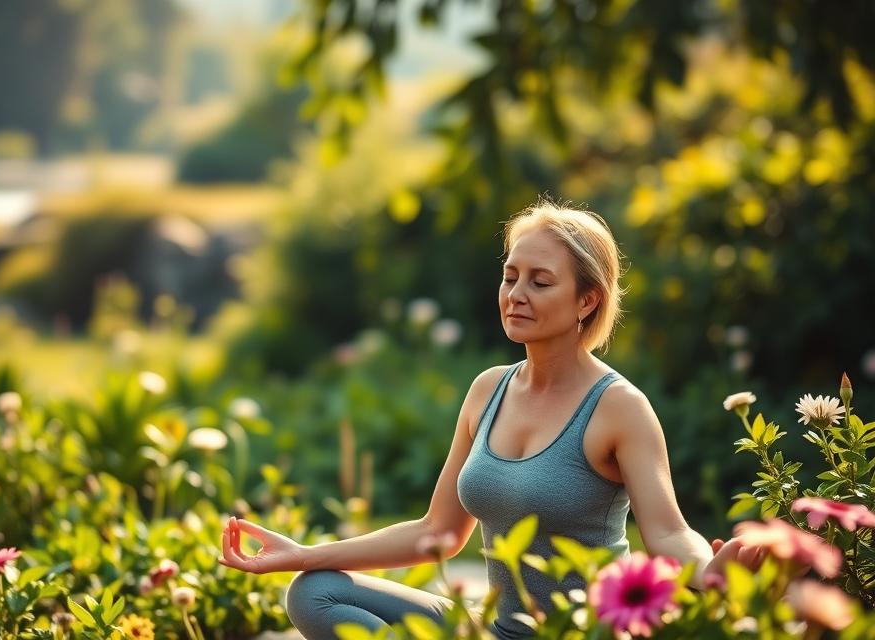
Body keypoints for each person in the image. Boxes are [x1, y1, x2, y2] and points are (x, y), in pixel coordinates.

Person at [218, 201, 764, 639]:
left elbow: (667, 530)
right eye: (510, 276)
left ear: (587, 301)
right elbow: (437, 533)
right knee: (314, 592)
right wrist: (301, 555)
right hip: (495, 629)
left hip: (577, 634)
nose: (515, 295)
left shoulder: (618, 406)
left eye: (540, 282)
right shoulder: (488, 390)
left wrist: (706, 571)